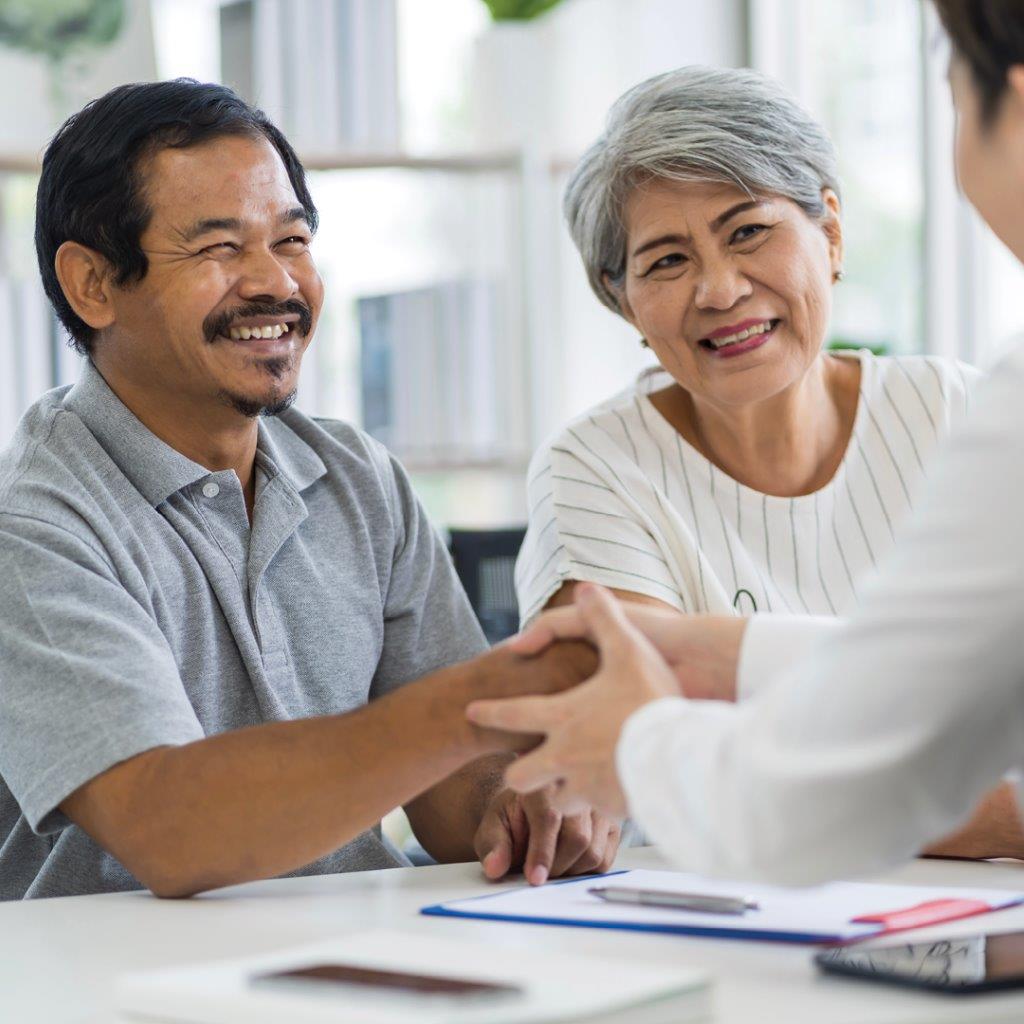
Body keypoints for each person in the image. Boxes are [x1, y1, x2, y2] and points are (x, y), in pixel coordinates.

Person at [0, 79, 619, 901]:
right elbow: (169, 827)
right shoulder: (33, 522)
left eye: (291, 241)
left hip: (348, 956)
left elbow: (453, 795)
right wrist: (482, 694)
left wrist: (518, 801)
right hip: (113, 985)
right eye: (220, 249)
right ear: (92, 284)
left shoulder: (358, 479)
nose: (276, 284)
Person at [468, 0, 1024, 886]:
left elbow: (831, 790)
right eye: (665, 261)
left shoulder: (971, 408)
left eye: (750, 231)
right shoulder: (597, 464)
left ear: (831, 233)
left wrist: (692, 685)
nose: (720, 290)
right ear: (624, 306)